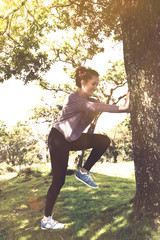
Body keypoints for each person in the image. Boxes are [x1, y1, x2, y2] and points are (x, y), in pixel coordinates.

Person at [41, 66, 130, 230]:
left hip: (72, 139)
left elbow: (95, 106)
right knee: (58, 181)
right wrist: (123, 108)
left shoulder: (91, 100)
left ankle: (83, 172)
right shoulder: (73, 99)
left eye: (97, 84)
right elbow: (95, 108)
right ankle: (46, 220)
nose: (96, 87)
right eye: (93, 84)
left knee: (103, 141)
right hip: (58, 138)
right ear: (83, 83)